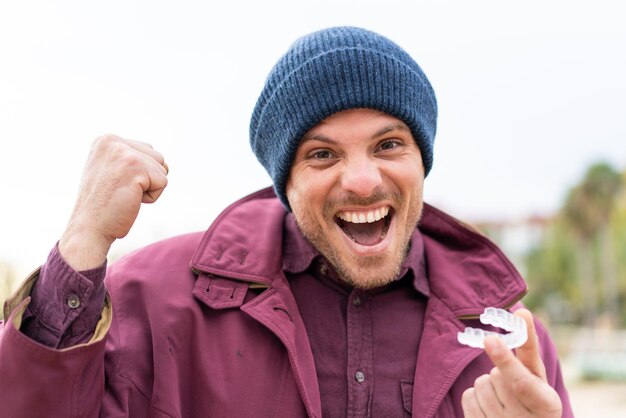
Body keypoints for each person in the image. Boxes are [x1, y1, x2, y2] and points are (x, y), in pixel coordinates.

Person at [0, 26, 572, 417]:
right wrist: (82, 241)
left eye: (389, 145)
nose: (363, 180)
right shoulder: (150, 301)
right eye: (322, 154)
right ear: (285, 183)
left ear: (422, 161)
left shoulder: (511, 345)